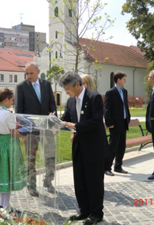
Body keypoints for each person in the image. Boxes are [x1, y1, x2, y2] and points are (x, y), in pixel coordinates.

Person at [60, 71, 108, 224]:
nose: (67, 92)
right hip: (79, 147)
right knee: (80, 181)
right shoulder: (71, 101)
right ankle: (84, 210)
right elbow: (66, 118)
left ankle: (96, 213)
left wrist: (76, 126)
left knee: (94, 182)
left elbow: (96, 121)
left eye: (68, 88)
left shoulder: (94, 97)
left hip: (94, 147)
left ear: (77, 84)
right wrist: (55, 121)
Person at [15, 62, 57, 197]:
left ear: (38, 72)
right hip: (30, 130)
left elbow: (52, 105)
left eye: (31, 73)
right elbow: (19, 111)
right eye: (26, 73)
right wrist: (24, 129)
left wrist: (53, 120)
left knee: (50, 157)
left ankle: (48, 182)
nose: (28, 76)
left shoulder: (46, 84)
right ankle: (31, 186)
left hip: (47, 128)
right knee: (30, 159)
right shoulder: (21, 87)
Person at [0, 88, 26, 209]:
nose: (12, 102)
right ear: (5, 99)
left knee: (3, 174)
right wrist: (25, 133)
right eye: (11, 100)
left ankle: (3, 203)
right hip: (9, 144)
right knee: (9, 174)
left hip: (0, 143)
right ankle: (6, 205)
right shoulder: (8, 114)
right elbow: (14, 133)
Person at [104, 71, 131, 176]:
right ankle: (107, 167)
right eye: (124, 79)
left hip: (123, 122)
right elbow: (107, 109)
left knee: (121, 146)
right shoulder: (110, 92)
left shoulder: (124, 91)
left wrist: (128, 118)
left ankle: (118, 166)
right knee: (112, 147)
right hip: (114, 124)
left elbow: (125, 106)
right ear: (118, 80)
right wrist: (109, 122)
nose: (125, 81)